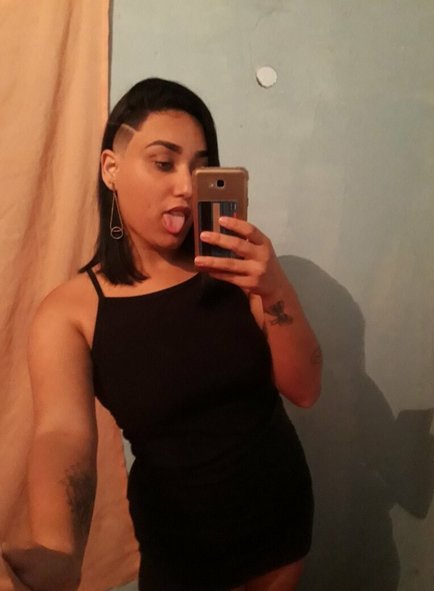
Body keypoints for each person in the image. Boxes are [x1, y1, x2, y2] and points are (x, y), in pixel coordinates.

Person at [2, 78, 322, 591]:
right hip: (182, 553)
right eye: (163, 162)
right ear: (111, 168)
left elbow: (304, 388)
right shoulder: (71, 313)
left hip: (280, 531)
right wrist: (59, 550)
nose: (187, 186)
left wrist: (275, 288)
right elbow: (62, 435)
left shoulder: (238, 271)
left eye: (200, 167)